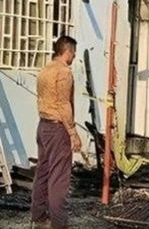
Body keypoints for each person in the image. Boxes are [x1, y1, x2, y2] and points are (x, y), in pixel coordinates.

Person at [31, 35, 82, 229]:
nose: (75, 55)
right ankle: (59, 224)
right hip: (57, 128)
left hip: (43, 126)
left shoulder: (45, 69)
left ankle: (38, 218)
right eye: (73, 52)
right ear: (67, 51)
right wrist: (73, 133)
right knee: (59, 178)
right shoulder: (63, 72)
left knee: (42, 173)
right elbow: (63, 104)